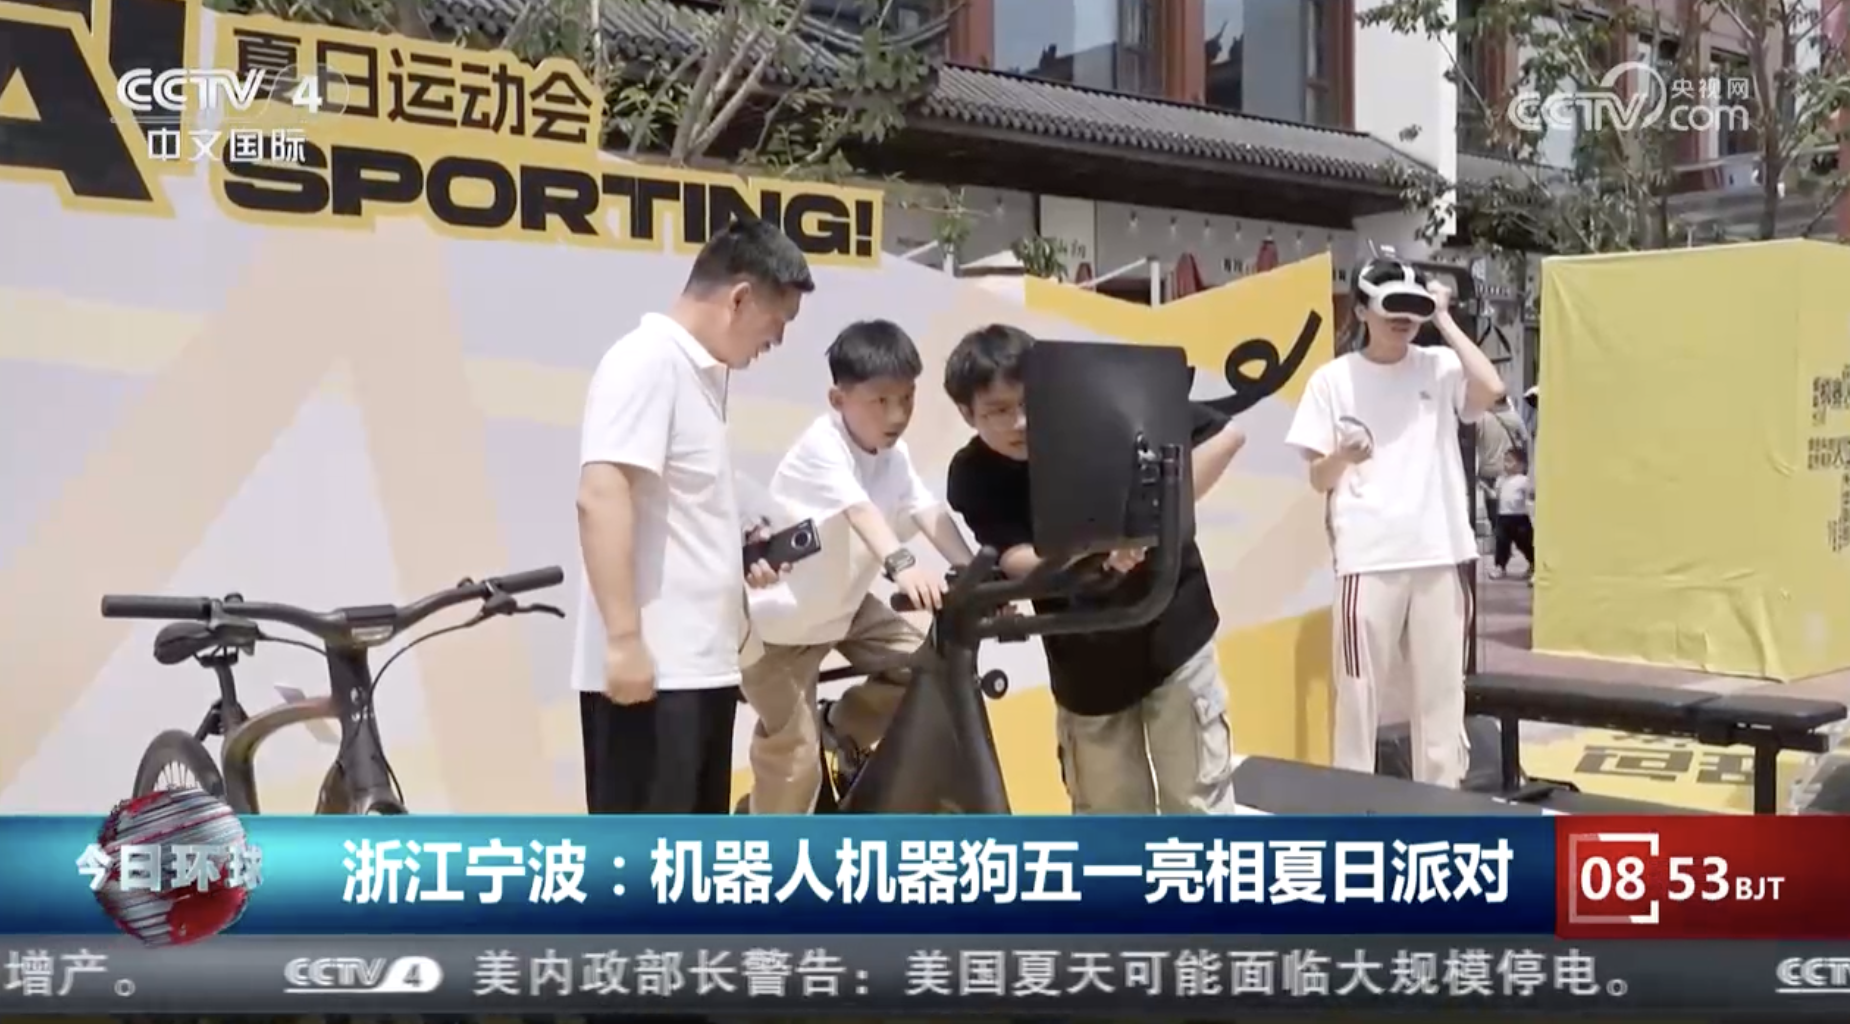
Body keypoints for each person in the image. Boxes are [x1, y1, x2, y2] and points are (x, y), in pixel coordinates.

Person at [942, 324, 1248, 814]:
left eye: (1030, 403)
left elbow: (1227, 435)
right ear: (966, 413)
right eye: (998, 411)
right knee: (1109, 826)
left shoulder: (1105, 411)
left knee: (1198, 808)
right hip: (1085, 666)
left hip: (1175, 638)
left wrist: (1152, 523)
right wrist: (1096, 548)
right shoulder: (973, 475)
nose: (1020, 422)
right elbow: (1020, 563)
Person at [572, 216, 814, 815]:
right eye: (778, 321)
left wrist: (740, 558)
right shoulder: (646, 360)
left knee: (689, 860)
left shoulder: (699, 378)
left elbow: (680, 516)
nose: (778, 340)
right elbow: (601, 494)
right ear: (740, 298)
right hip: (653, 678)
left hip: (700, 669)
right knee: (644, 864)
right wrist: (624, 642)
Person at [1285, 255, 1506, 788]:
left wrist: (1444, 318)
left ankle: (1442, 808)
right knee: (1359, 699)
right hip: (1369, 557)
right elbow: (1317, 478)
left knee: (1441, 700)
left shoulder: (1439, 365)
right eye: (1392, 311)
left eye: (1412, 311)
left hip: (1438, 551)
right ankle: (1353, 811)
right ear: (1362, 310)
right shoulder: (1332, 379)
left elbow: (1491, 387)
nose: (1403, 321)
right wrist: (1344, 456)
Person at [740, 319, 977, 814]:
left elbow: (928, 511)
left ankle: (840, 727)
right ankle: (765, 843)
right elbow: (860, 512)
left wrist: (976, 573)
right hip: (775, 630)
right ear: (838, 399)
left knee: (928, 668)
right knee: (794, 755)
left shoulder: (894, 455)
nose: (897, 415)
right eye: (880, 401)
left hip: (843, 609)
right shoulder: (821, 446)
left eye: (907, 398)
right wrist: (903, 566)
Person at [1490, 447, 1536, 581]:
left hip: (1519, 517)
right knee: (1501, 542)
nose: (1506, 464)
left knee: (1526, 543)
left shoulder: (1523, 480)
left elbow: (1531, 494)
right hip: (1503, 516)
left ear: (1521, 465)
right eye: (1505, 461)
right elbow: (1496, 495)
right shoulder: (1501, 480)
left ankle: (1534, 563)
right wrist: (1489, 491)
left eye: (1510, 461)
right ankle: (1500, 566)